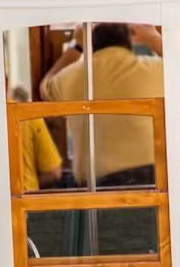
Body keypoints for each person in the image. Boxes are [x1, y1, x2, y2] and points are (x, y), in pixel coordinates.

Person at [40, 22, 164, 186]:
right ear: (130, 41)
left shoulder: (72, 76)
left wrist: (78, 46)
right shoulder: (153, 69)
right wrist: (154, 39)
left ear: (92, 44)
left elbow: (45, 88)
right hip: (151, 181)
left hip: (96, 184)